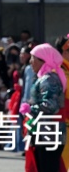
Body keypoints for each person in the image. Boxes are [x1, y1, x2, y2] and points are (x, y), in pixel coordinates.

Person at [24, 43, 66, 172]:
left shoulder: (49, 79)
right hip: (45, 131)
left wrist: (31, 109)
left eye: (33, 58)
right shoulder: (44, 78)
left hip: (49, 133)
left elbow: (51, 105)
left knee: (48, 167)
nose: (30, 61)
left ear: (43, 60)